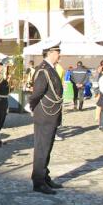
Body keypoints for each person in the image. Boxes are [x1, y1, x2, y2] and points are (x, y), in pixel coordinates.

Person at [28, 38, 64, 195]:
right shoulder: (43, 70)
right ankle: (38, 181)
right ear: (50, 53)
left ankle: (44, 175)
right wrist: (32, 107)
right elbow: (37, 93)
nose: (59, 55)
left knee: (47, 147)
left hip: (50, 114)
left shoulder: (50, 68)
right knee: (42, 148)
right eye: (58, 52)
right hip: (44, 114)